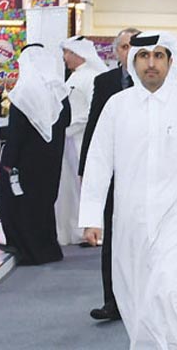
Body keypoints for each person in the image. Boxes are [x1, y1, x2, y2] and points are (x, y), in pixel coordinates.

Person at [78, 31, 177, 349]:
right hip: (131, 215)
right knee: (134, 292)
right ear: (133, 62)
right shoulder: (117, 106)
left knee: (169, 290)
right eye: (144, 57)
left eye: (158, 56)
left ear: (170, 62)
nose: (151, 64)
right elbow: (99, 163)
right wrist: (92, 217)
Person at [79, 27, 141, 322]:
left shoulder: (157, 82)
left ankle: (142, 299)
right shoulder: (104, 82)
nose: (129, 52)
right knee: (113, 237)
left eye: (134, 46)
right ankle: (111, 300)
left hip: (146, 174)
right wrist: (86, 171)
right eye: (125, 46)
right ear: (116, 51)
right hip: (113, 173)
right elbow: (93, 127)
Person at [0, 43, 71, 265]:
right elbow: (65, 121)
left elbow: (17, 133)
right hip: (51, 159)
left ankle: (26, 249)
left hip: (26, 161)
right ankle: (47, 248)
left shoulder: (24, 93)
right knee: (44, 203)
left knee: (19, 202)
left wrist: (8, 162)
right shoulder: (59, 90)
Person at [57, 36, 108, 246]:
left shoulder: (92, 77)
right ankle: (74, 230)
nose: (64, 57)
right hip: (69, 141)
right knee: (70, 189)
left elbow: (91, 112)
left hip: (82, 140)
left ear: (78, 53)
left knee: (86, 187)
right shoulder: (74, 77)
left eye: (67, 53)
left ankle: (91, 231)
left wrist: (69, 129)